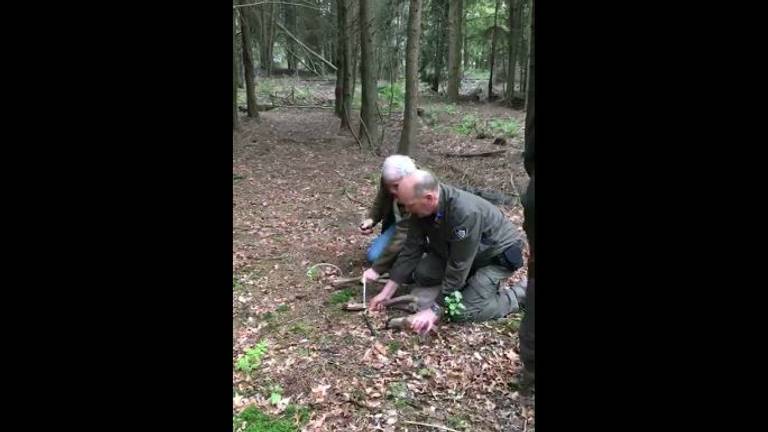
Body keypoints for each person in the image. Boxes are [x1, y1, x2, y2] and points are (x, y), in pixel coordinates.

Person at [368, 170, 527, 334]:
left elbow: (459, 266)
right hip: (461, 253)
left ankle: (520, 293)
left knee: (462, 312)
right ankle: (469, 282)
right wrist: (387, 292)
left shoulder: (464, 212)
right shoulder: (420, 207)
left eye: (410, 205)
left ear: (429, 198)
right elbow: (411, 249)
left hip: (494, 257)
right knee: (423, 273)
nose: (407, 210)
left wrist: (434, 309)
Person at [359, 155, 417, 282]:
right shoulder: (389, 180)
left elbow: (403, 234)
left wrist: (376, 270)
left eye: (396, 186)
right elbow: (381, 200)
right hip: (398, 225)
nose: (392, 190)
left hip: (417, 231)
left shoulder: (418, 190)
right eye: (389, 185)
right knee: (374, 256)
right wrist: (371, 219)